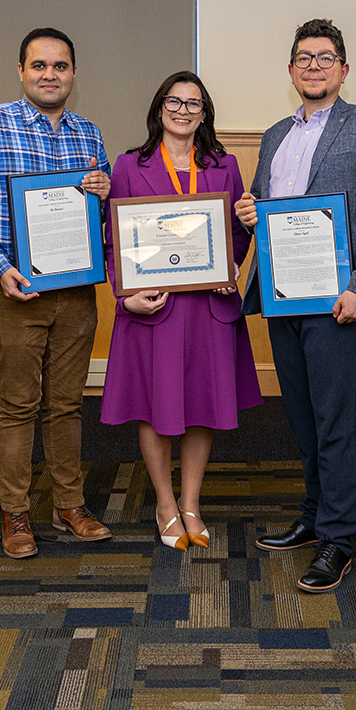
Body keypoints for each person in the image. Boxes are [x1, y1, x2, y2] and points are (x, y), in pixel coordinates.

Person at [236, 18, 356, 593]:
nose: (313, 66)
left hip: (337, 301)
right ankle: (313, 515)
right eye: (304, 58)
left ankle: (339, 537)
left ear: (343, 69)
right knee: (303, 417)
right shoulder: (277, 133)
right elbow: (265, 206)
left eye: (325, 58)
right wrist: (250, 212)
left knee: (336, 420)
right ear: (291, 70)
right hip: (284, 296)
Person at [0, 27, 113, 558]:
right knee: (19, 403)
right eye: (39, 66)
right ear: (21, 71)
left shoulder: (88, 134)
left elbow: (102, 216)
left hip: (74, 293)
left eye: (60, 66)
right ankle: (15, 513)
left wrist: (105, 192)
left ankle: (69, 505)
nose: (50, 75)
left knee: (66, 404)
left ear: (74, 73)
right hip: (12, 290)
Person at [100, 71, 261, 549]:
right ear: (159, 108)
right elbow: (114, 239)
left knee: (202, 407)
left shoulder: (224, 164)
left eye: (195, 103)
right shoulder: (129, 166)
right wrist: (123, 295)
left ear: (205, 113)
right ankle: (165, 503)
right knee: (157, 405)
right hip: (156, 308)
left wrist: (232, 261)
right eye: (175, 101)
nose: (184, 110)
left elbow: (238, 231)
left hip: (209, 307)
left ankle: (191, 502)